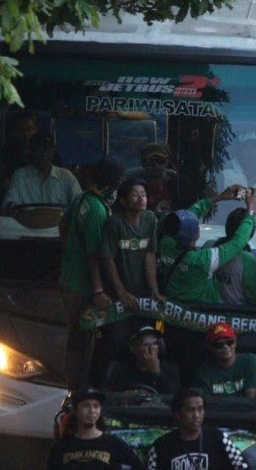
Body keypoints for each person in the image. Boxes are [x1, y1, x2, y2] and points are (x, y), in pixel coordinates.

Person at [59, 157, 125, 389]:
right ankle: (76, 389)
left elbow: (63, 226)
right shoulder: (97, 210)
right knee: (81, 340)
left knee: (76, 336)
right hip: (83, 286)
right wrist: (98, 289)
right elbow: (94, 254)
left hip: (70, 278)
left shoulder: (82, 199)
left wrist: (69, 253)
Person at [158, 185, 256, 304]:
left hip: (170, 311)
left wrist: (220, 197)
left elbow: (181, 220)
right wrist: (250, 209)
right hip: (199, 316)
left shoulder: (165, 244)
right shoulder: (202, 260)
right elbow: (237, 242)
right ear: (196, 233)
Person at [147, 388, 248, 470]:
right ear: (178, 414)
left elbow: (243, 466)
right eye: (190, 410)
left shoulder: (218, 439)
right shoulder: (161, 446)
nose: (196, 415)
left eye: (200, 409)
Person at [46, 388, 146, 469]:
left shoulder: (113, 444)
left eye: (96, 406)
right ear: (75, 410)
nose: (92, 411)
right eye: (86, 406)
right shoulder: (62, 447)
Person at [101, 177, 161, 313]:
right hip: (118, 295)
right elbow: (107, 259)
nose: (141, 198)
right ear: (123, 200)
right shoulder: (115, 223)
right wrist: (121, 292)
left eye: (144, 195)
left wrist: (154, 289)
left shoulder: (150, 219)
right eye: (135, 195)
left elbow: (150, 255)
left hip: (143, 293)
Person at [2, 130, 82, 210]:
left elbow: (80, 205)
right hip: (27, 222)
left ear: (53, 150)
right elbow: (9, 205)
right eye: (38, 148)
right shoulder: (19, 176)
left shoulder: (66, 176)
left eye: (47, 148)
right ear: (32, 151)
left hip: (60, 222)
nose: (43, 153)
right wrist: (10, 206)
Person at [212, 208, 256, 307]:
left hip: (208, 312)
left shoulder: (209, 247)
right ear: (250, 233)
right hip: (237, 315)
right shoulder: (247, 259)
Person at [191, 322, 256, 398]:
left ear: (235, 341)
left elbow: (251, 400)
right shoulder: (203, 372)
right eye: (219, 344)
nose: (225, 347)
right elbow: (205, 404)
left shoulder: (251, 361)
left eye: (229, 342)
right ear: (210, 347)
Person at [103, 327, 180, 394]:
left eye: (155, 343)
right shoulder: (119, 370)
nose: (151, 348)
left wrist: (156, 373)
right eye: (145, 344)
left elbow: (173, 399)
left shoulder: (169, 370)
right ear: (133, 348)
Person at [222, 131, 256, 197]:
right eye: (247, 148)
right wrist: (253, 194)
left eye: (255, 148)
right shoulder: (225, 172)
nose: (252, 153)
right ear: (239, 150)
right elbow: (228, 195)